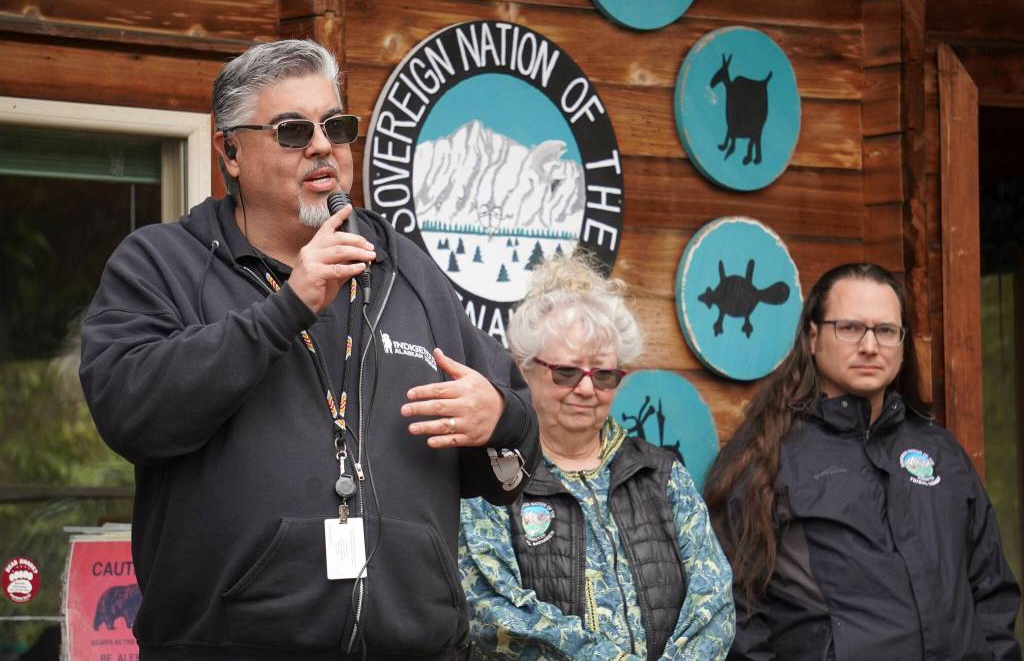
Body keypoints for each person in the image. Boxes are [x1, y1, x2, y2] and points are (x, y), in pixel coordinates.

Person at [79, 39, 539, 660]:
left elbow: (516, 428)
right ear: (230, 151)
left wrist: (499, 420)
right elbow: (130, 410)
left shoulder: (410, 272)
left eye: (336, 126)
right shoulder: (162, 263)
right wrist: (287, 308)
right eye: (293, 130)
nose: (322, 145)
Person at [703, 263, 1021, 661]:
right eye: (850, 328)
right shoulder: (764, 459)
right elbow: (737, 619)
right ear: (813, 338)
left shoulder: (942, 454)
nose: (870, 346)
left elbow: (992, 591)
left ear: (902, 345)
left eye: (886, 331)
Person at [459, 254, 735, 660]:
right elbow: (490, 610)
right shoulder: (493, 479)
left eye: (603, 374)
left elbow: (714, 603)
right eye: (567, 372)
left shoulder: (661, 475)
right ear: (526, 368)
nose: (587, 389)